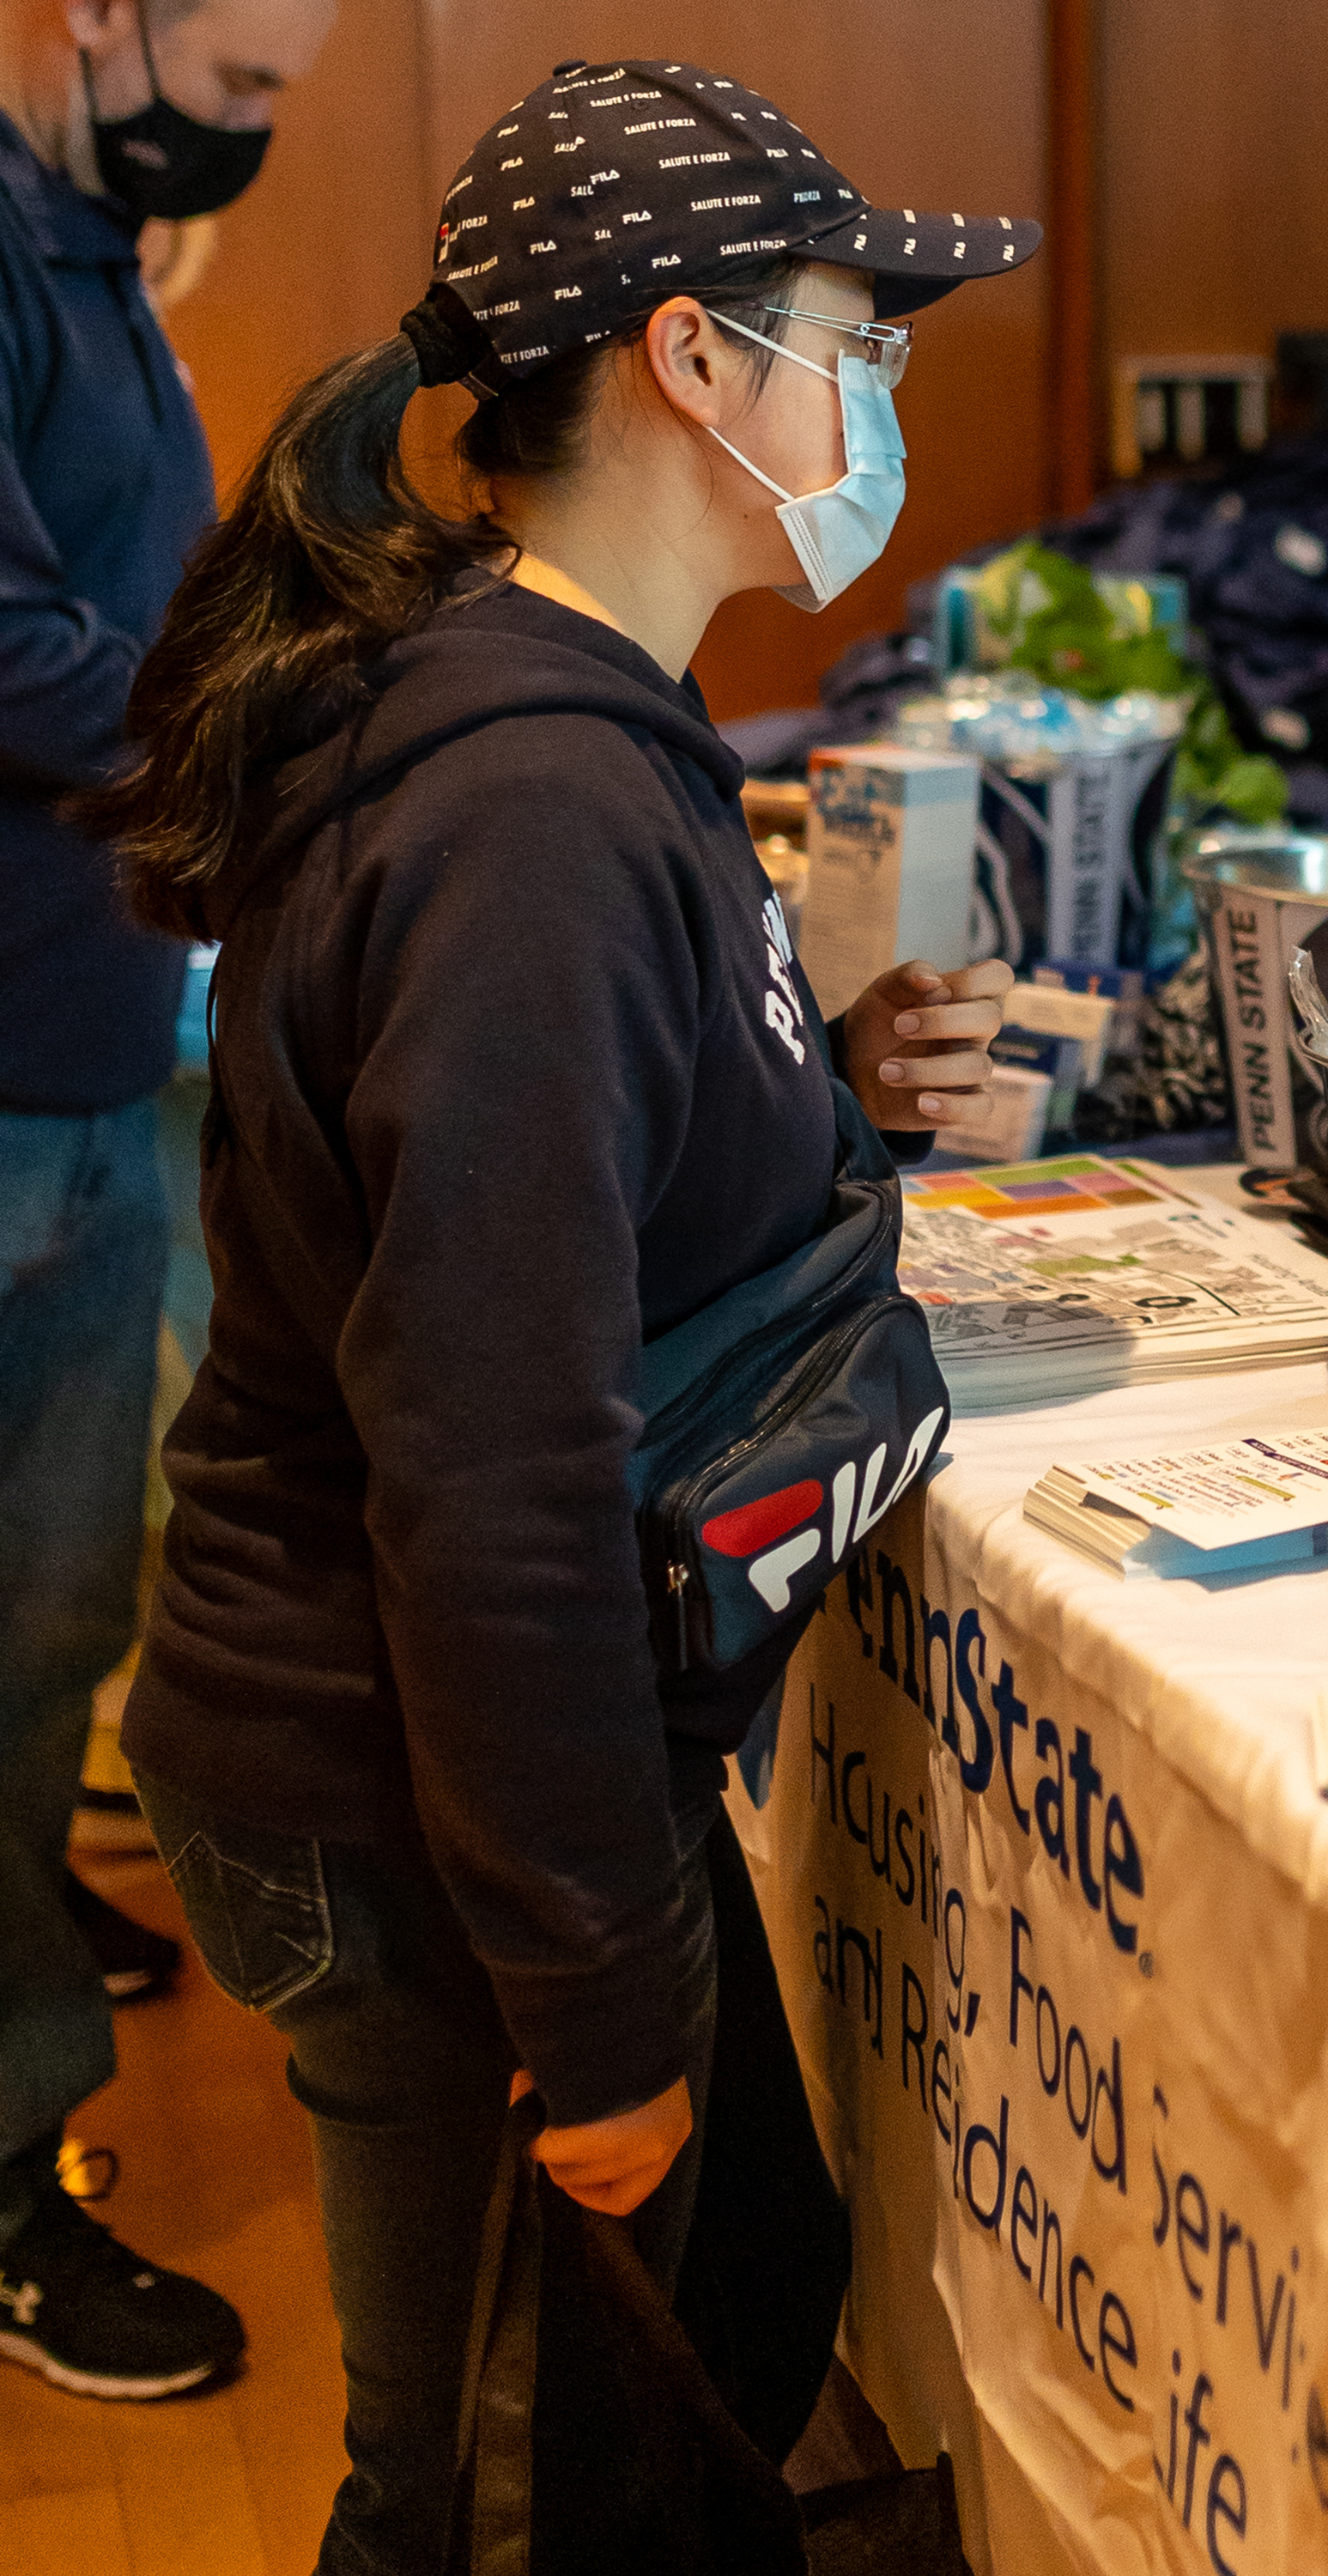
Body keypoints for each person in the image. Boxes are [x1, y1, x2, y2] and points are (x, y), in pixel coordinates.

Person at [76, 58, 1033, 2556]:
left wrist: (808, 1081)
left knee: (702, 2334)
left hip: (473, 1759)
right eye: (857, 336)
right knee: (497, 2482)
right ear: (692, 362)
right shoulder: (527, 802)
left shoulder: (574, 727)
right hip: (410, 1775)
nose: (879, 399)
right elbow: (488, 1455)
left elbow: (547, 1192)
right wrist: (597, 2011)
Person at [0, 0, 337, 2404]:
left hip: (83, 1036)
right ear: (92, 15)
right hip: (4, 1071)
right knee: (9, 1622)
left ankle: (22, 1912)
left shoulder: (90, 247)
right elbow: (20, 646)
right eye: (231, 72)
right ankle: (10, 2186)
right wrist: (300, 735)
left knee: (55, 1606)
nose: (242, 127)